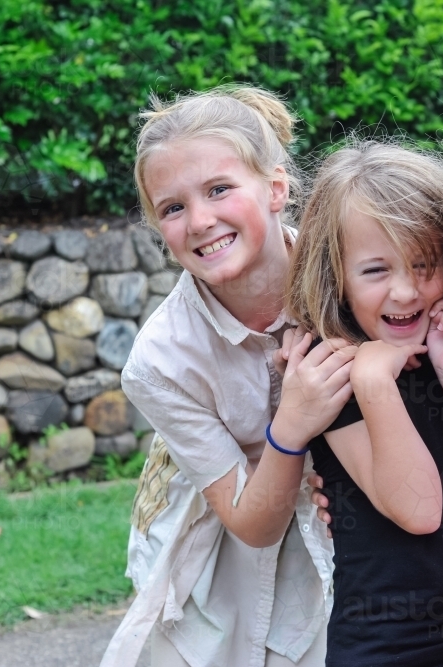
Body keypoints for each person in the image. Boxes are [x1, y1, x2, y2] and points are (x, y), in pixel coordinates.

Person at [101, 86, 351, 667]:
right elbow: (251, 524)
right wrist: (293, 420)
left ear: (276, 188)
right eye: (172, 207)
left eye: (219, 189)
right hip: (228, 534)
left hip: (350, 519)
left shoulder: (350, 275)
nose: (201, 221)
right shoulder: (160, 361)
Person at [283, 141, 443, 667]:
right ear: (336, 277)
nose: (405, 292)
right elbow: (421, 511)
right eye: (376, 271)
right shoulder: (328, 367)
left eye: (423, 264)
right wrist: (374, 380)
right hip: (388, 647)